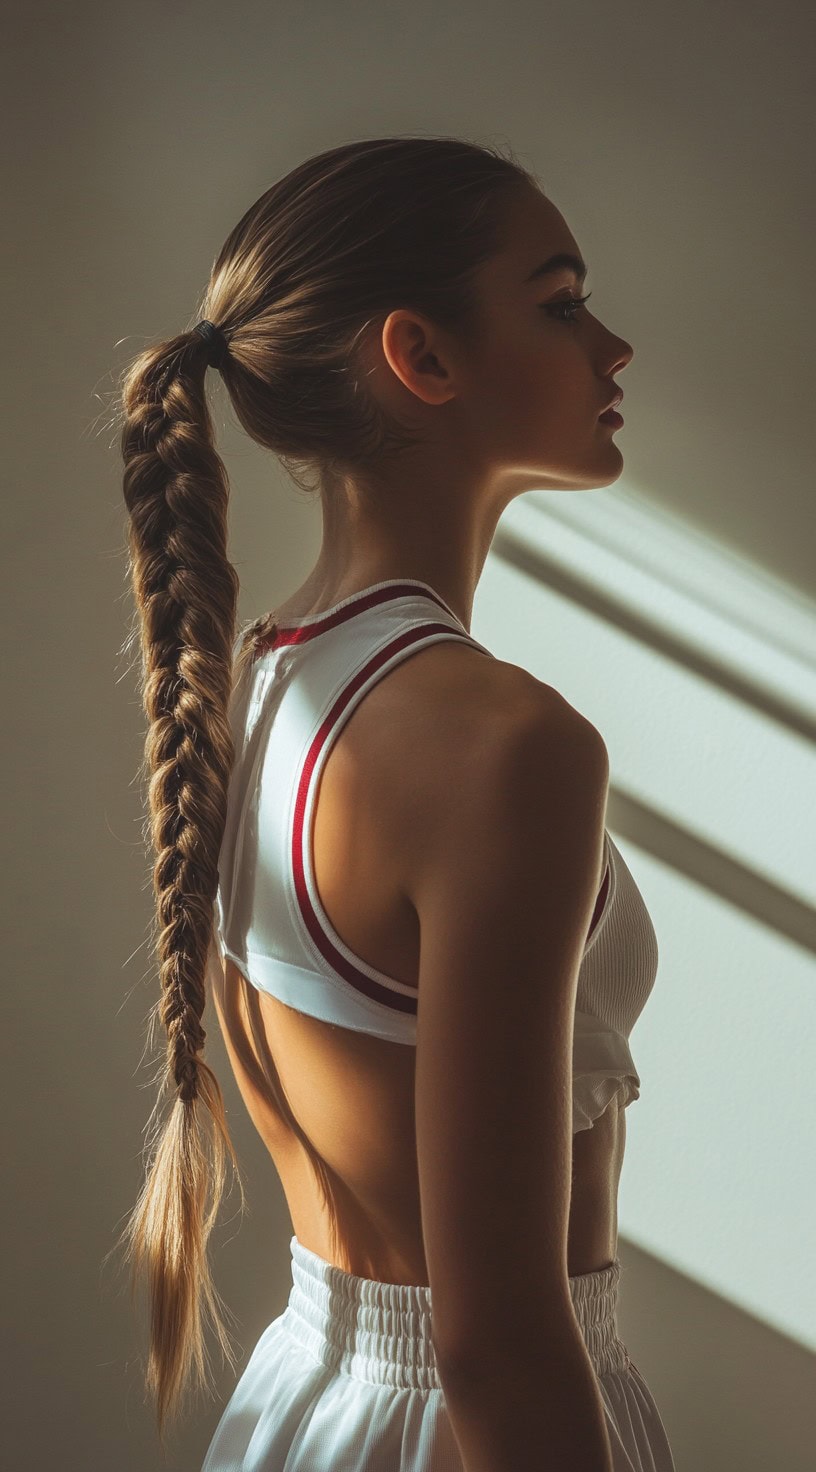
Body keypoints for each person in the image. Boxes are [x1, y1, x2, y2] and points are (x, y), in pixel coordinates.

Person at [113, 135, 676, 1471]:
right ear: (421, 357)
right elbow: (496, 1341)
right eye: (560, 301)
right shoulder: (508, 748)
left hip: (306, 1406)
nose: (614, 347)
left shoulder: (258, 685)